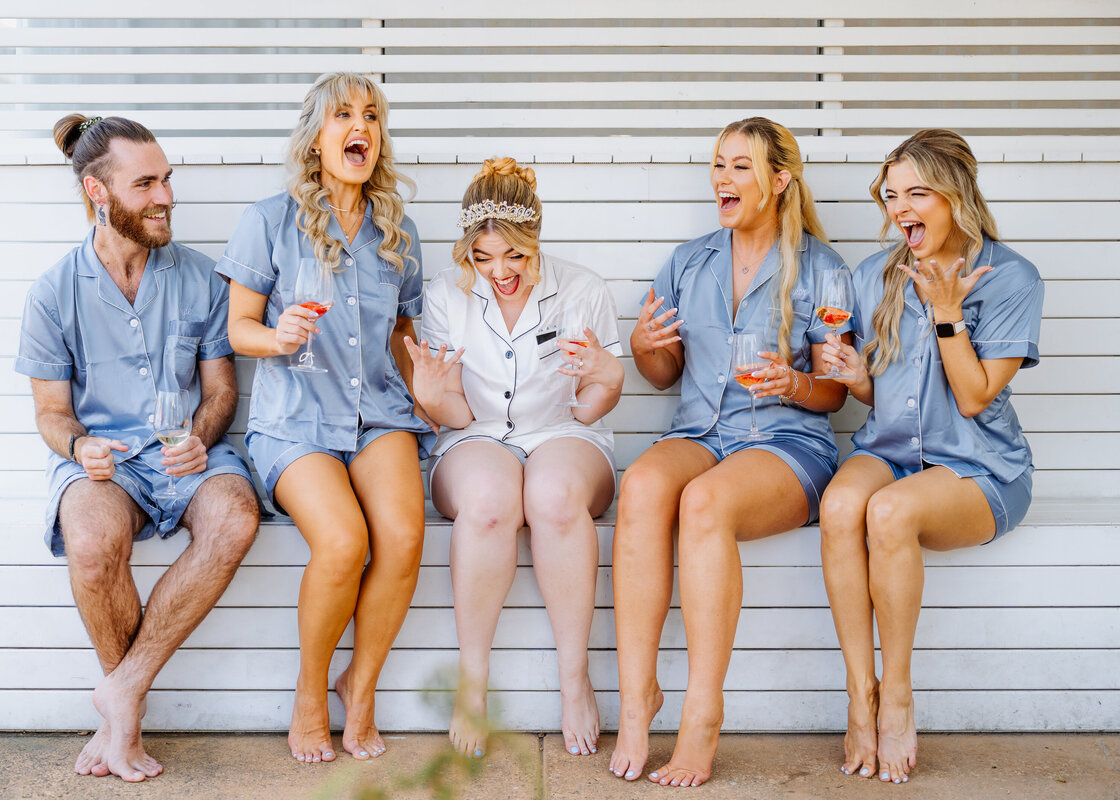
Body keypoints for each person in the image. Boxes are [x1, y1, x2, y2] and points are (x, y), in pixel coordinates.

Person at [14, 114, 260, 782]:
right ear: (100, 193)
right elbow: (50, 412)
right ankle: (125, 714)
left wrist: (202, 437)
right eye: (146, 183)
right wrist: (80, 444)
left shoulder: (203, 277)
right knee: (93, 545)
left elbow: (220, 391)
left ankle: (121, 693)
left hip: (188, 455)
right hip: (104, 462)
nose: (167, 196)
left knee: (237, 516)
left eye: (167, 179)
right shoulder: (53, 293)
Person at [608, 117, 853, 787]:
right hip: (700, 433)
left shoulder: (822, 269)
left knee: (705, 502)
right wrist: (643, 347)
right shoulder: (689, 262)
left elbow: (838, 394)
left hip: (786, 441)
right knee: (643, 488)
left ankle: (701, 714)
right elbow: (664, 375)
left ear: (779, 181)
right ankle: (637, 702)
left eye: (740, 166)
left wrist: (797, 383)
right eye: (718, 165)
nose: (723, 177)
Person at [217, 72, 433, 765]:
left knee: (400, 536)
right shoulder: (268, 220)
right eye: (343, 114)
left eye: (371, 115)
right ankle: (310, 695)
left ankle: (358, 688)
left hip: (378, 417)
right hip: (294, 421)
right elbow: (237, 330)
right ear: (316, 137)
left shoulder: (398, 230)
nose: (359, 126)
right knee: (343, 542)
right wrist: (276, 337)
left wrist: (431, 383)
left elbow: (401, 336)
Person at [817, 129, 1044, 786]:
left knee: (887, 515)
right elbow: (870, 393)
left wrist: (948, 313)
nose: (900, 208)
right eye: (892, 195)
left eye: (917, 192)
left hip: (981, 467)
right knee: (839, 505)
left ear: (956, 195)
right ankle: (859, 696)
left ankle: (898, 698)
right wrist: (857, 374)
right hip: (889, 449)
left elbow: (973, 398)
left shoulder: (1010, 277)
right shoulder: (872, 275)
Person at [404, 158, 625, 760]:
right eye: (483, 257)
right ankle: (471, 683)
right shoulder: (445, 297)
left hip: (563, 433)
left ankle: (575, 679)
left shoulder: (582, 290)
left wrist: (609, 376)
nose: (499, 271)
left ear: (535, 242)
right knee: (491, 500)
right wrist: (429, 396)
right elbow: (451, 410)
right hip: (473, 435)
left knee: (552, 497)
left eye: (514, 257)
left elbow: (589, 410)